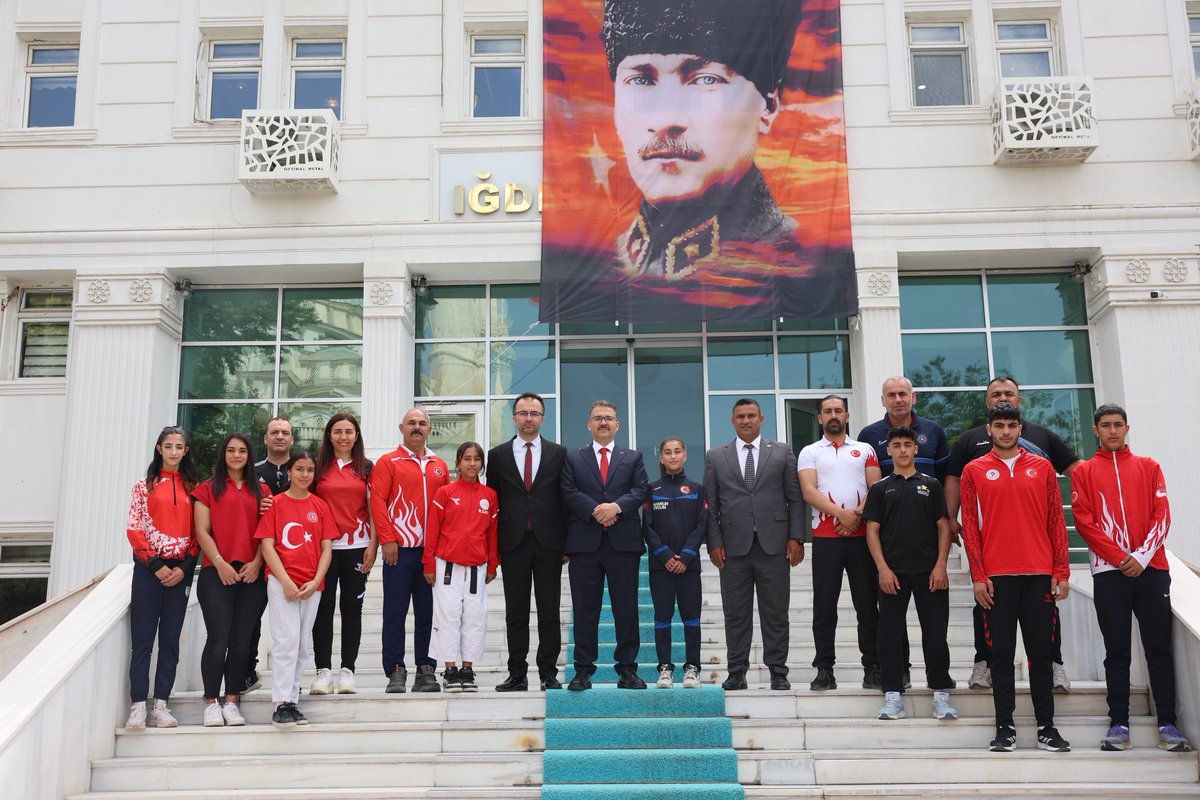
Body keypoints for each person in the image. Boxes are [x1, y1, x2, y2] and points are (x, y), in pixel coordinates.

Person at [603, 0, 803, 280]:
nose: (664, 120)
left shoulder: (803, 261)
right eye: (640, 80)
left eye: (706, 80)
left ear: (768, 107)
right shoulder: (605, 266)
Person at [944, 376, 1080, 692]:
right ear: (986, 404)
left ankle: (1055, 665)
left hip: (1036, 556)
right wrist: (951, 517)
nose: (1001, 397)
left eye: (1008, 393)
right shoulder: (970, 440)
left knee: (1046, 620)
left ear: (1019, 401)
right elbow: (952, 477)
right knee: (986, 610)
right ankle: (984, 664)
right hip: (994, 557)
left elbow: (1076, 469)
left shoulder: (1043, 436)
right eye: (995, 394)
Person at [1070, 404, 1193, 753]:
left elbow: (1162, 516)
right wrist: (1121, 558)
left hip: (1152, 570)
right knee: (1117, 651)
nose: (1112, 431)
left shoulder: (1149, 466)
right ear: (1095, 430)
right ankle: (1118, 724)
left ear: (1127, 428)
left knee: (1159, 649)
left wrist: (1139, 557)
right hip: (1110, 573)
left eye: (1118, 425)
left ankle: (1168, 724)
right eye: (1105, 425)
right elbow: (1084, 522)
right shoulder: (1084, 472)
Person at [960, 402, 1071, 753]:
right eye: (999, 425)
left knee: (1041, 655)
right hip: (996, 579)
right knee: (1000, 656)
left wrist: (1062, 571)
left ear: (1020, 429)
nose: (1005, 431)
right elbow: (971, 531)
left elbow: (1057, 521)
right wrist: (978, 575)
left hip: (1039, 575)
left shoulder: (1042, 467)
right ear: (989, 430)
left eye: (1011, 425)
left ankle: (1046, 727)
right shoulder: (973, 470)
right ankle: (1004, 727)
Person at [703, 398, 805, 691]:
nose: (746, 421)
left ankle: (778, 671)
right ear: (732, 421)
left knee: (775, 612)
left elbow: (795, 497)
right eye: (740, 417)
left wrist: (796, 537)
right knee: (735, 614)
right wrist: (714, 542)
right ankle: (736, 671)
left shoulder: (782, 452)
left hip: (774, 545)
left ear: (761, 418)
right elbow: (710, 504)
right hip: (733, 548)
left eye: (751, 416)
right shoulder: (716, 456)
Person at [863, 426, 956, 722]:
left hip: (930, 573)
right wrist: (882, 569)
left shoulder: (931, 485)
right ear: (888, 451)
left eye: (908, 444)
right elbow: (872, 530)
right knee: (889, 635)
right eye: (897, 445)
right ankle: (893, 695)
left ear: (916, 449)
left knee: (935, 633)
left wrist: (941, 565)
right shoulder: (880, 488)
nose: (903, 450)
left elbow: (943, 527)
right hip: (893, 574)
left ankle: (941, 693)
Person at [561, 400, 650, 690]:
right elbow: (568, 490)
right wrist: (597, 510)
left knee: (626, 608)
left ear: (617, 424)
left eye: (608, 418)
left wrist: (616, 508)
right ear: (589, 424)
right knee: (586, 610)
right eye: (597, 418)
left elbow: (640, 490)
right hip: (585, 544)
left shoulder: (633, 457)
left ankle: (627, 670)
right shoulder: (574, 458)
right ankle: (583, 670)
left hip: (623, 543)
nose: (603, 422)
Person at [798, 395, 882, 690]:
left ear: (847, 415)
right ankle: (824, 669)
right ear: (819, 418)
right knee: (824, 607)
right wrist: (841, 515)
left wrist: (857, 516)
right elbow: (809, 491)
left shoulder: (865, 449)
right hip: (825, 538)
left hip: (862, 538)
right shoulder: (809, 452)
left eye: (838, 411)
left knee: (867, 606)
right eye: (827, 411)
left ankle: (872, 667)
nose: (833, 415)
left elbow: (876, 488)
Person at [486, 392, 569, 692]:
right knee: (516, 611)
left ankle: (548, 672)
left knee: (549, 610)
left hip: (550, 543)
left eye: (534, 413)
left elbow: (566, 500)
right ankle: (517, 673)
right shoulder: (497, 455)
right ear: (514, 417)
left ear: (543, 418)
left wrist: (567, 544)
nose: (529, 418)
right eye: (523, 413)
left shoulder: (559, 453)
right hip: (513, 542)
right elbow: (492, 502)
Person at [369, 408, 451, 693]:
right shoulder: (388, 462)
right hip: (399, 551)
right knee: (395, 613)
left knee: (428, 614)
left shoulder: (439, 464)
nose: (417, 427)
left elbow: (447, 508)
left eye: (422, 423)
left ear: (429, 429)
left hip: (430, 554)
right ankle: (395, 669)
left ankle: (426, 667)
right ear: (401, 427)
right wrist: (387, 539)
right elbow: (378, 501)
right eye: (412, 423)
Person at [255, 450, 337, 728]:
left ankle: (292, 701)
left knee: (302, 646)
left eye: (310, 470)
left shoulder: (321, 506)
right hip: (282, 584)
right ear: (289, 472)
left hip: (312, 585)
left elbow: (327, 548)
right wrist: (286, 582)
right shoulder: (276, 504)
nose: (304, 475)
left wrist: (315, 581)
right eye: (299, 469)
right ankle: (280, 703)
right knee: (285, 642)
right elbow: (267, 546)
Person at [125, 425, 200, 729]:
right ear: (159, 449)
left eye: (178, 447)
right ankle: (138, 705)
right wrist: (155, 565)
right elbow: (134, 528)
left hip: (180, 572)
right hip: (148, 571)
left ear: (186, 451)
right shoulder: (143, 486)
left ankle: (161, 705)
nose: (172, 452)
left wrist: (184, 568)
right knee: (142, 641)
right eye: (167, 446)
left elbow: (200, 533)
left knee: (170, 640)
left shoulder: (195, 488)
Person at [192, 432, 266, 728]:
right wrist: (220, 563)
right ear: (223, 454)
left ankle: (232, 701)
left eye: (242, 451)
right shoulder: (207, 489)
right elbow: (202, 531)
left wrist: (257, 563)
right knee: (218, 638)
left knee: (241, 642)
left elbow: (266, 534)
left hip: (251, 575)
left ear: (249, 456)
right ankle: (211, 702)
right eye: (231, 451)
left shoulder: (262, 490)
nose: (237, 456)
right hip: (216, 573)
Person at [423, 442, 499, 693]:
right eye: (467, 458)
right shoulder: (445, 492)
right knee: (448, 615)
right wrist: (429, 562)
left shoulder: (489, 496)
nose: (472, 463)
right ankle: (450, 668)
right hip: (447, 565)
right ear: (457, 462)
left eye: (477, 459)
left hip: (477, 566)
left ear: (482, 464)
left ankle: (467, 668)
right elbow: (432, 529)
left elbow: (492, 534)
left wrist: (492, 563)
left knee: (475, 617)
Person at [309, 412, 375, 695]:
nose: (343, 436)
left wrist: (374, 545)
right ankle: (323, 671)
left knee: (352, 609)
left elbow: (375, 507)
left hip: (357, 547)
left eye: (349, 431)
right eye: (338, 431)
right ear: (329, 435)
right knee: (322, 610)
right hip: (322, 549)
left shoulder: (367, 467)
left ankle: (348, 670)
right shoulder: (316, 467)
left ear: (356, 435)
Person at [642, 436, 707, 689]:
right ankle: (665, 669)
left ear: (685, 455)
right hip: (662, 567)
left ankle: (692, 668)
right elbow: (647, 527)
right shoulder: (652, 489)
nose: (672, 456)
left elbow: (702, 524)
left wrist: (687, 555)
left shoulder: (697, 488)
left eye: (677, 451)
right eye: (667, 452)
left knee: (691, 618)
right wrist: (666, 556)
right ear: (661, 457)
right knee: (662, 618)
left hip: (689, 567)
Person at [242, 415, 295, 694]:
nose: (279, 436)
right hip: (259, 556)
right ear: (265, 438)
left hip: (295, 558)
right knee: (252, 617)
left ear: (292, 439)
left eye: (285, 432)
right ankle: (248, 670)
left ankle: (294, 678)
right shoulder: (252, 471)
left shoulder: (301, 470)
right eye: (274, 432)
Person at [857, 376, 949, 480]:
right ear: (883, 400)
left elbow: (945, 476)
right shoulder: (868, 435)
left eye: (902, 394)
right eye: (891, 395)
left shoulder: (934, 430)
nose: (898, 400)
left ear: (913, 397)